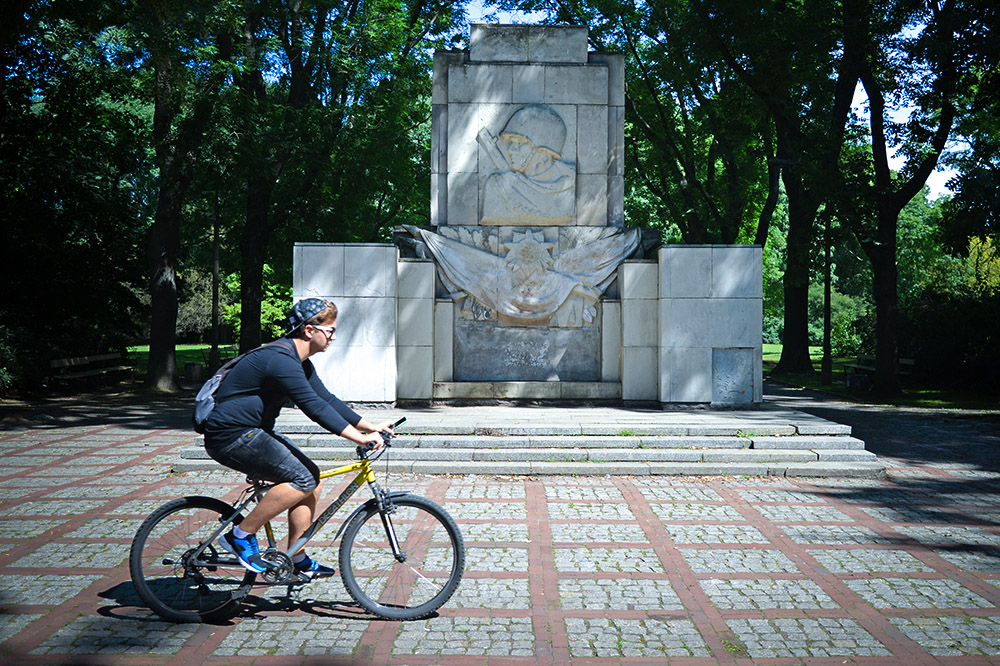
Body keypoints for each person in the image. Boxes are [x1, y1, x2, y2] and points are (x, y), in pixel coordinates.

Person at [202, 298, 394, 578]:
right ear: (309, 330)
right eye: (329, 330)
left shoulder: (299, 362)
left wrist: (370, 425)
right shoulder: (280, 360)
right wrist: (360, 439)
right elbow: (313, 408)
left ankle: (295, 558)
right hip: (232, 435)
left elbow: (326, 399)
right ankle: (240, 536)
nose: (334, 336)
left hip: (254, 432)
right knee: (303, 479)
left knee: (311, 480)